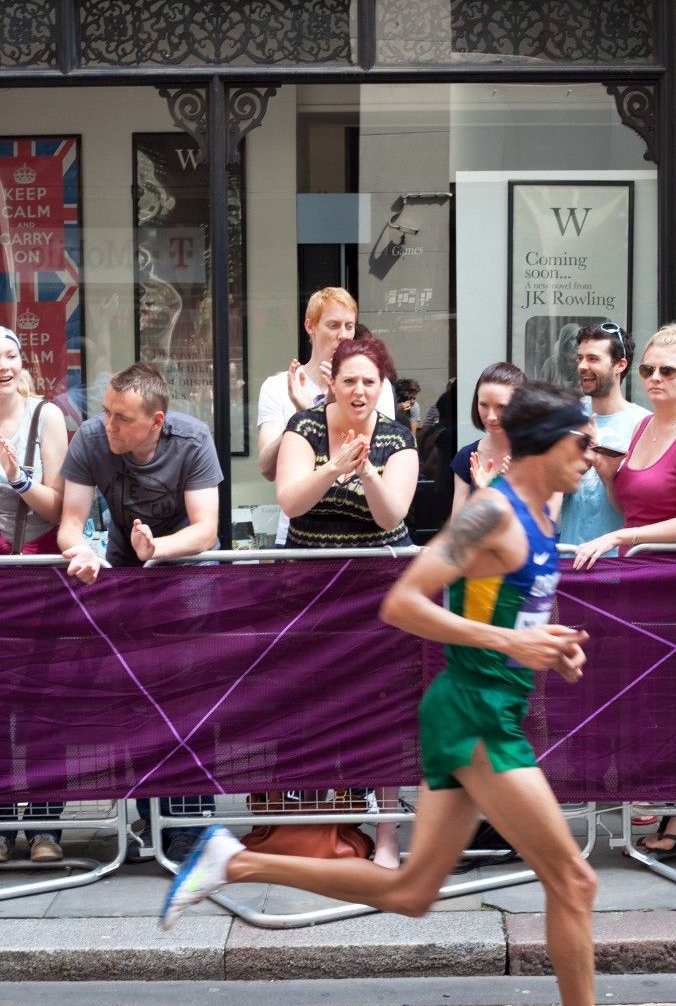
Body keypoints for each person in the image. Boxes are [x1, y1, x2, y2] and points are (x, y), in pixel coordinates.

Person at [161, 381, 676, 1006]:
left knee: (410, 891)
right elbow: (401, 601)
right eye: (581, 443)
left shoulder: (538, 509)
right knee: (575, 880)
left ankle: (234, 861)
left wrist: (548, 649)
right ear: (546, 444)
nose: (590, 457)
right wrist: (508, 641)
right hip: (474, 718)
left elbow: (514, 607)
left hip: (482, 707)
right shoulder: (488, 513)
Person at [57, 361, 223, 865]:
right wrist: (80, 551)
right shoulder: (89, 438)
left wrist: (160, 547)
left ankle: (189, 825)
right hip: (125, 575)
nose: (107, 424)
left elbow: (207, 528)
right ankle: (146, 819)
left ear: (155, 422)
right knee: (134, 698)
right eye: (106, 412)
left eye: (121, 418)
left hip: (186, 574)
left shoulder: (191, 440)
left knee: (187, 700)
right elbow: (70, 523)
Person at [573, 322, 676, 854]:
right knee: (647, 698)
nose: (655, 378)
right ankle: (666, 799)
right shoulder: (642, 430)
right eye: (648, 370)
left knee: (674, 696)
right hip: (638, 583)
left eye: (667, 371)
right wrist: (602, 469)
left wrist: (620, 536)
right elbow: (629, 504)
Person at [276, 333, 418, 866]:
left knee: (382, 707)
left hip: (378, 592)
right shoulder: (305, 427)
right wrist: (334, 466)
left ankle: (385, 832)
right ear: (330, 382)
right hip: (310, 591)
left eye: (369, 382)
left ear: (382, 388)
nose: (359, 390)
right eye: (349, 380)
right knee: (314, 704)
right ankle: (320, 827)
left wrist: (364, 471)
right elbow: (290, 501)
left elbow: (392, 516)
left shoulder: (397, 437)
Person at [0, 326, 69, 863]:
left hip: (40, 570)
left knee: (45, 701)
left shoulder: (45, 415)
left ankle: (47, 827)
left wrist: (19, 478)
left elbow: (60, 508)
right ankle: (2, 825)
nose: (2, 364)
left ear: (21, 363)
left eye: (9, 354)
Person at [257, 288, 396, 546]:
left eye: (349, 326)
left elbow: (381, 456)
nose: (343, 335)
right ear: (310, 326)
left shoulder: (376, 385)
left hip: (366, 533)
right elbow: (267, 468)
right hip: (300, 533)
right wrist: (302, 419)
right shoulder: (278, 386)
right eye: (333, 325)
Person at [559, 322, 649, 551]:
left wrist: (609, 476)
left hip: (618, 565)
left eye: (593, 359)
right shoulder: (566, 416)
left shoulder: (645, 424)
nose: (582, 366)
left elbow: (642, 511)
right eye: (580, 358)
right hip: (570, 558)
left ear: (620, 365)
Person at [450, 362, 526, 514]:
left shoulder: (540, 455)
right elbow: (457, 529)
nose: (491, 416)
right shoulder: (466, 457)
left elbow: (543, 526)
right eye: (484, 405)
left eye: (502, 407)